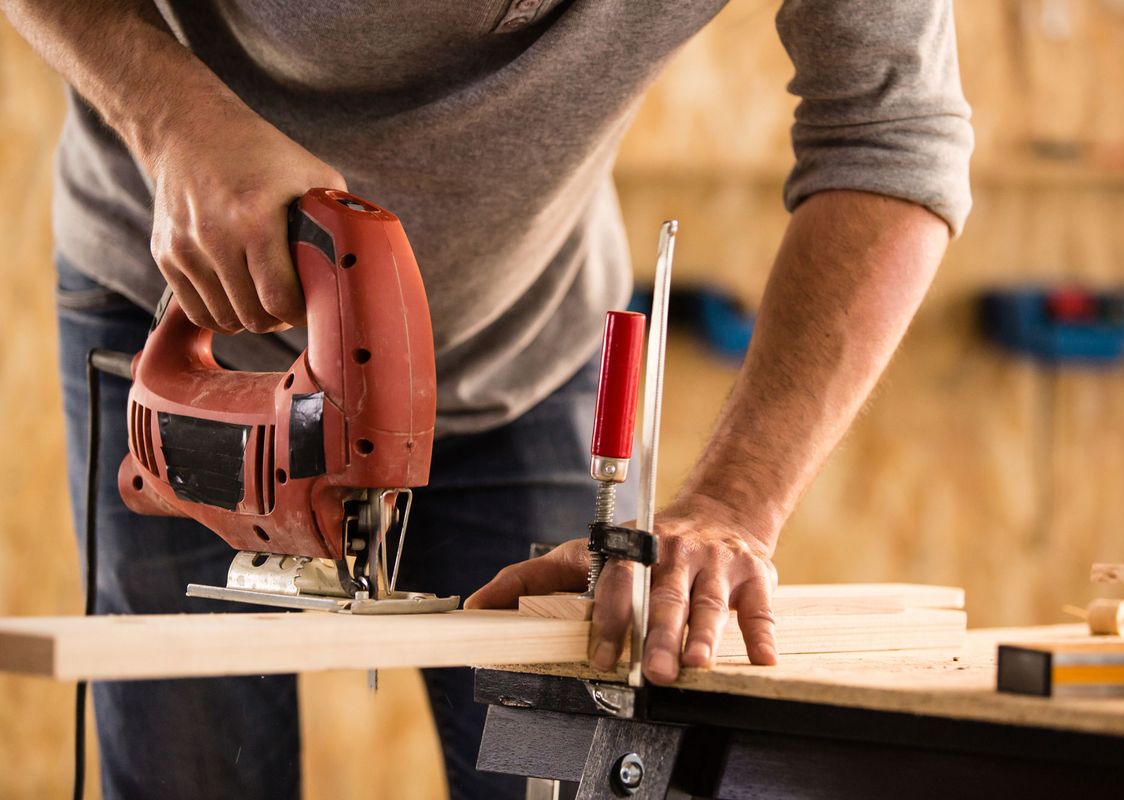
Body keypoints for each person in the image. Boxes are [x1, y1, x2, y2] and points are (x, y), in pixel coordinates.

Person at [2, 1, 972, 798]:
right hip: (181, 317)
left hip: (527, 334)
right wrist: (170, 118)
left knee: (565, 769)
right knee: (195, 777)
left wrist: (731, 502)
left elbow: (895, 136)